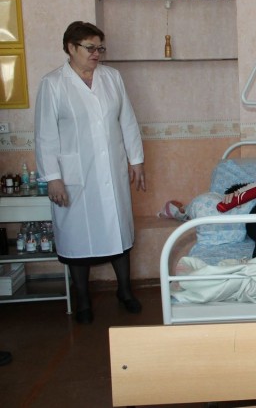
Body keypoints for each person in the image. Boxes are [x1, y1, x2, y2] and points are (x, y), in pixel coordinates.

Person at [34, 21, 146, 325]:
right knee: (77, 238)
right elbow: (45, 135)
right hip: (74, 175)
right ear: (71, 48)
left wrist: (136, 160)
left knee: (118, 230)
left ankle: (125, 291)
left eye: (100, 48)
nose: (97, 53)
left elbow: (127, 120)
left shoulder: (112, 78)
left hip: (111, 170)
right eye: (90, 47)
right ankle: (83, 299)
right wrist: (53, 178)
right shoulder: (53, 83)